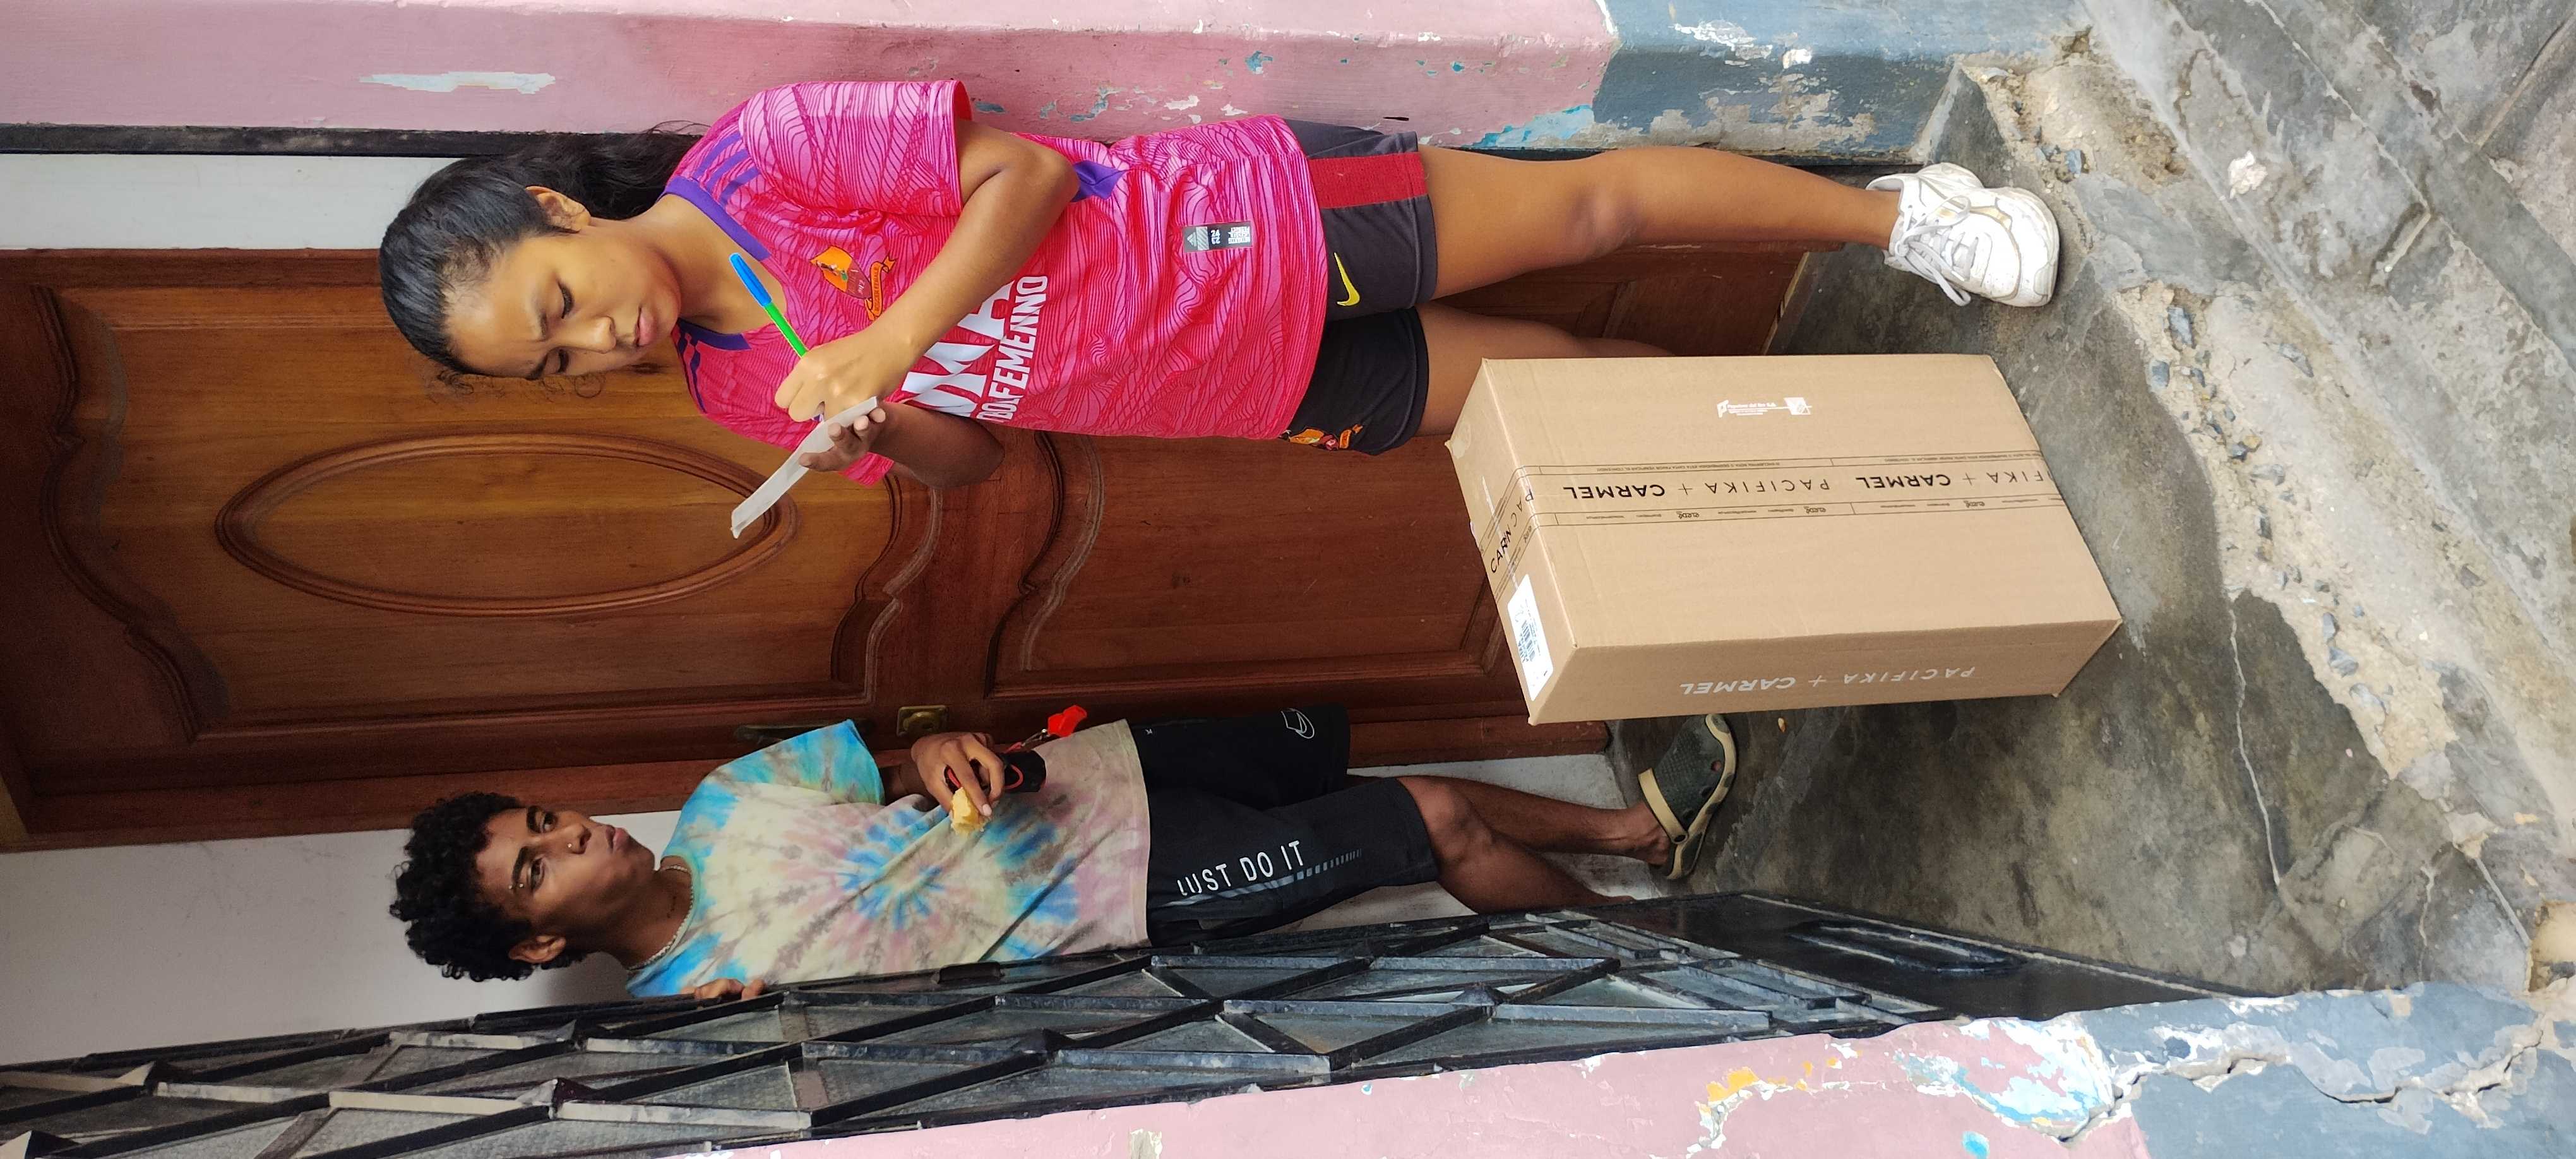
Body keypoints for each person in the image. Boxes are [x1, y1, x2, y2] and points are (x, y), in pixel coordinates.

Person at [378, 81, 2059, 490]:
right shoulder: (731, 386)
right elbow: (973, 465)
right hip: (1224, 388)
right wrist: (882, 422)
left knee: (1593, 213)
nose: (597, 342)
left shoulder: (761, 155)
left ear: (559, 208)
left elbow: (1025, 176)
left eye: (556, 306)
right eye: (558, 368)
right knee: (1553, 397)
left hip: (1240, 227)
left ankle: (1900, 219)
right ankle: (1871, 433)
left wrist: (890, 331)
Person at [386, 706, 1730, 998]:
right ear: (540, 940)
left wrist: (946, 752)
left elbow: (904, 759)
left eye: (543, 820)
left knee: (1364, 781)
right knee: (1426, 827)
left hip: (1100, 775)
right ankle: (1653, 959)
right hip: (1125, 894)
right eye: (538, 867)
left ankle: (1634, 835)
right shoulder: (702, 1008)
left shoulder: (727, 796)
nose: (571, 834)